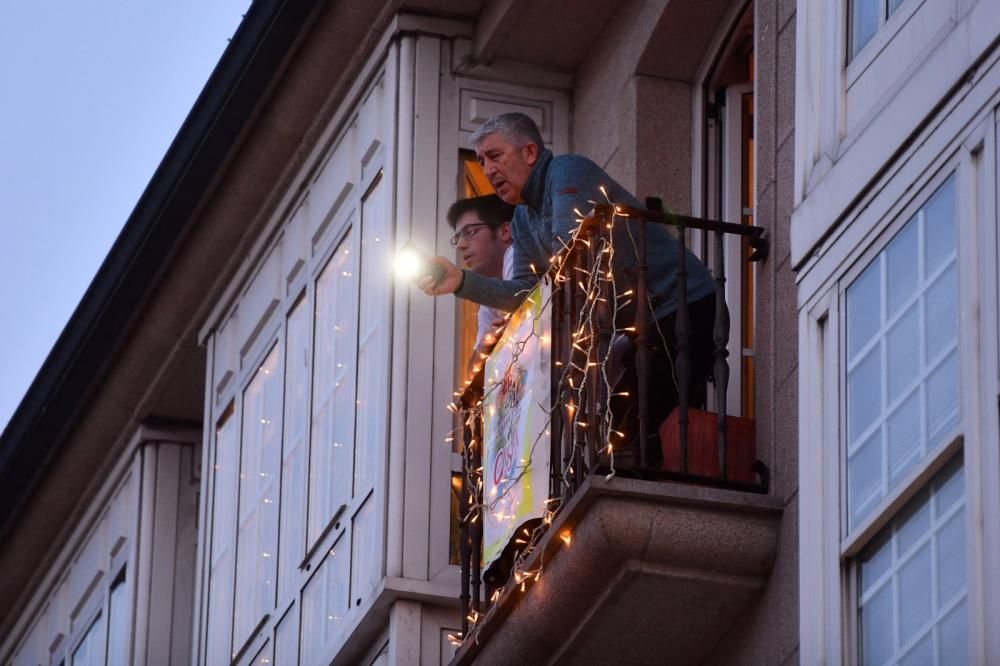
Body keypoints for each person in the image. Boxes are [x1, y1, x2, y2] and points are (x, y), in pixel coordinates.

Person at [421, 112, 718, 462]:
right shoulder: (523, 219)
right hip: (650, 324)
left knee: (634, 437)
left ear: (529, 152)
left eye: (495, 156)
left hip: (684, 305)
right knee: (628, 437)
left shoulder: (566, 171)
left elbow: (569, 252)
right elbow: (523, 294)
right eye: (483, 161)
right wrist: (461, 282)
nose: (487, 170)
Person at [446, 195, 516, 363]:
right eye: (457, 239)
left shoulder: (517, 255)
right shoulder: (491, 290)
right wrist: (486, 346)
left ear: (505, 231)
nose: (461, 245)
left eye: (469, 232)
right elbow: (473, 371)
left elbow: (522, 302)